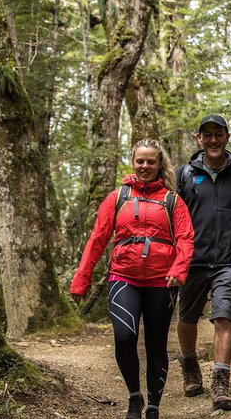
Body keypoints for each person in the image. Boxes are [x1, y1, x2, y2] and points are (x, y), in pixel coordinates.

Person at [70, 139, 195, 419]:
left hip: (162, 281)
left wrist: (179, 269)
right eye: (140, 160)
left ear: (160, 164)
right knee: (125, 337)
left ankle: (153, 406)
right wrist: (81, 280)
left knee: (155, 344)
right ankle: (134, 396)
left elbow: (186, 238)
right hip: (123, 276)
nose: (145, 166)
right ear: (133, 162)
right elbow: (98, 239)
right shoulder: (118, 197)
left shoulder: (172, 200)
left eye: (151, 161)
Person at [175, 114, 231, 411]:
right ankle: (189, 363)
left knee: (224, 317)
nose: (213, 140)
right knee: (187, 320)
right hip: (192, 260)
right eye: (207, 135)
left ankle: (220, 380)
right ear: (199, 139)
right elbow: (171, 221)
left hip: (229, 261)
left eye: (218, 134)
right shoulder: (185, 174)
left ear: (227, 137)